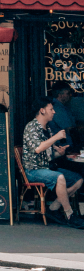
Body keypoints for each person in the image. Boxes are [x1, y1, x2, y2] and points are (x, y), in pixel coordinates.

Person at [22, 96, 84, 228]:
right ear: (42, 110)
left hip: (46, 168)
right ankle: (69, 215)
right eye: (51, 109)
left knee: (78, 179)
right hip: (34, 170)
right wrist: (56, 137)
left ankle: (53, 209)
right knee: (60, 178)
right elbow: (38, 149)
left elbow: (48, 154)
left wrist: (58, 153)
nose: (54, 112)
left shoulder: (47, 128)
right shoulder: (32, 127)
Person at [49, 80, 77, 149]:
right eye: (68, 93)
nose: (70, 95)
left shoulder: (62, 107)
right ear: (60, 95)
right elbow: (69, 129)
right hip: (63, 147)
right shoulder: (58, 109)